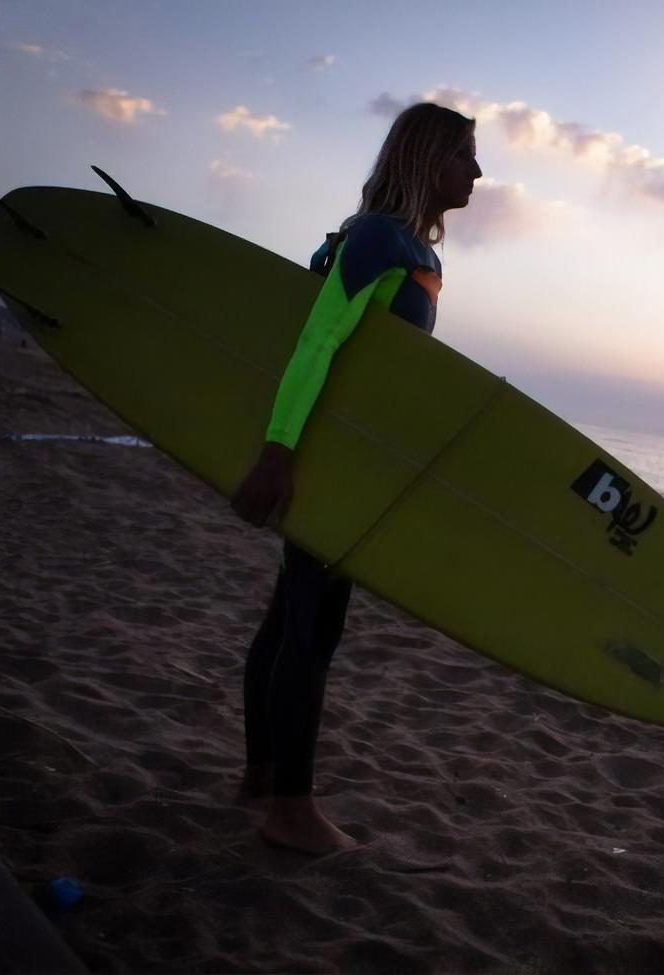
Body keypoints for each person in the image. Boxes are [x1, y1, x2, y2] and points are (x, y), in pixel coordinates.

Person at [230, 103, 482, 853]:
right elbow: (319, 341)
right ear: (427, 157)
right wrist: (279, 450)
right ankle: (290, 807)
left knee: (289, 617)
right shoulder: (376, 238)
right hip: (322, 455)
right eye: (466, 155)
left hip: (351, 457)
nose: (477, 172)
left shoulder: (414, 251)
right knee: (311, 625)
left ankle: (260, 776)